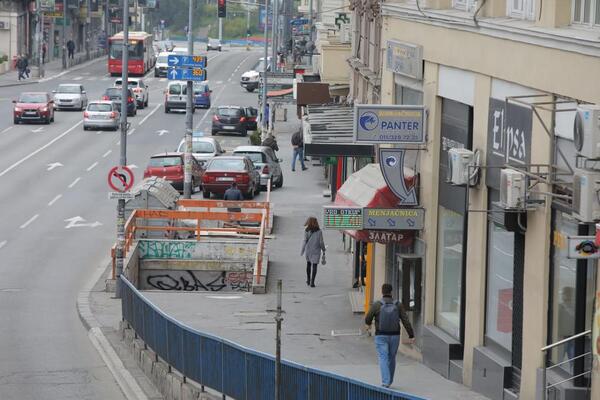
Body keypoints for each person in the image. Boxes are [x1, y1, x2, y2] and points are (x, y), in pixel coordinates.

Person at [365, 283, 415, 388]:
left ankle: (385, 382)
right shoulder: (398, 305)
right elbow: (405, 320)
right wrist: (411, 335)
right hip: (395, 336)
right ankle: (390, 380)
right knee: (392, 358)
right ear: (391, 292)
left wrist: (369, 325)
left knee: (383, 357)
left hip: (381, 336)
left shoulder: (377, 304)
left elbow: (368, 318)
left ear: (382, 292)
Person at [300, 217, 326, 287]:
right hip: (316, 250)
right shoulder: (319, 231)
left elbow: (304, 241)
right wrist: (323, 249)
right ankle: (312, 282)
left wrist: (302, 251)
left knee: (308, 264)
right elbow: (321, 242)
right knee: (314, 266)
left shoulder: (306, 230)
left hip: (308, 250)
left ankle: (308, 280)